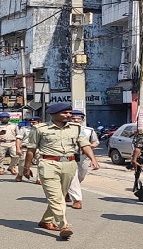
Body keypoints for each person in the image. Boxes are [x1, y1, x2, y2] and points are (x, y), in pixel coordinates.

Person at [23, 102, 99, 240]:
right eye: (65, 113)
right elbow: (31, 149)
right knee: (55, 197)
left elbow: (85, 144)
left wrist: (93, 159)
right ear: (53, 114)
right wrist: (26, 168)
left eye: (70, 113)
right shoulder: (40, 129)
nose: (69, 115)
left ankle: (46, 221)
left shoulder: (76, 128)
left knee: (61, 195)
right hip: (48, 164)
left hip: (69, 164)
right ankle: (63, 226)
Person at [66, 109, 100, 210]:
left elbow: (96, 142)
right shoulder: (65, 129)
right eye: (73, 118)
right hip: (70, 156)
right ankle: (77, 200)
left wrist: (88, 148)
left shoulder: (88, 130)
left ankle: (68, 190)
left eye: (78, 118)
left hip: (83, 156)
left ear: (82, 119)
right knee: (73, 176)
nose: (76, 120)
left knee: (81, 176)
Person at [0, 112, 21, 176]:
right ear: (0, 119)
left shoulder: (14, 125)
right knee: (0, 156)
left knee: (16, 155)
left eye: (6, 118)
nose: (4, 119)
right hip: (1, 142)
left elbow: (18, 134)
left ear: (9, 118)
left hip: (12, 142)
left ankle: (11, 167)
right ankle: (0, 169)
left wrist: (19, 144)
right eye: (2, 118)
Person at [15, 115, 42, 183]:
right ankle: (20, 174)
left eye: (34, 122)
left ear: (39, 122)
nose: (31, 124)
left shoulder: (43, 129)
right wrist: (18, 149)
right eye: (30, 122)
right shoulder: (24, 129)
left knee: (41, 164)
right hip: (26, 148)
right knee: (22, 163)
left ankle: (39, 179)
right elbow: (19, 139)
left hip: (38, 149)